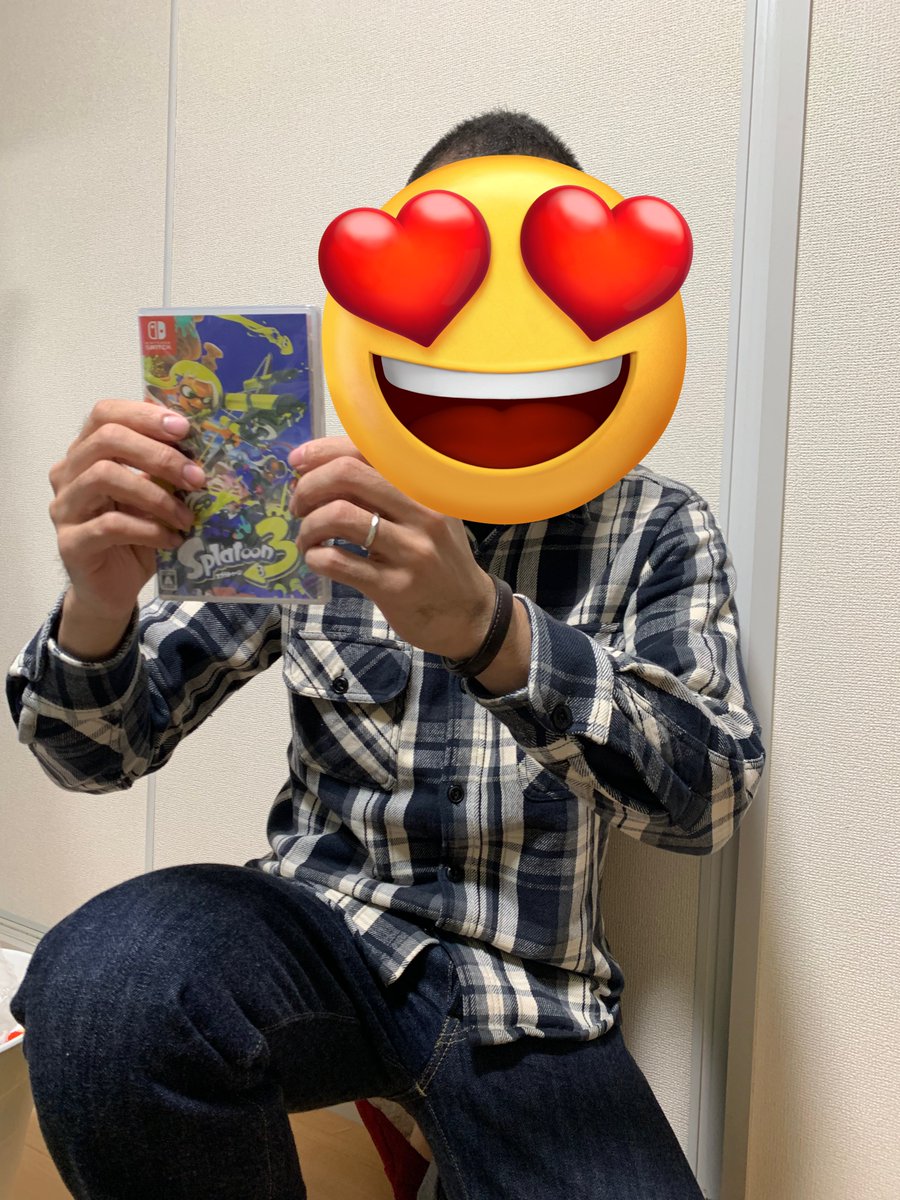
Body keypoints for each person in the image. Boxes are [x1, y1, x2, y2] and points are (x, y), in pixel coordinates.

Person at [7, 111, 765, 1200]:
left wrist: (491, 632)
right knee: (109, 988)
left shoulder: (656, 524)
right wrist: (97, 604)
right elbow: (95, 755)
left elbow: (710, 800)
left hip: (530, 1001)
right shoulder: (307, 490)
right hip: (321, 937)